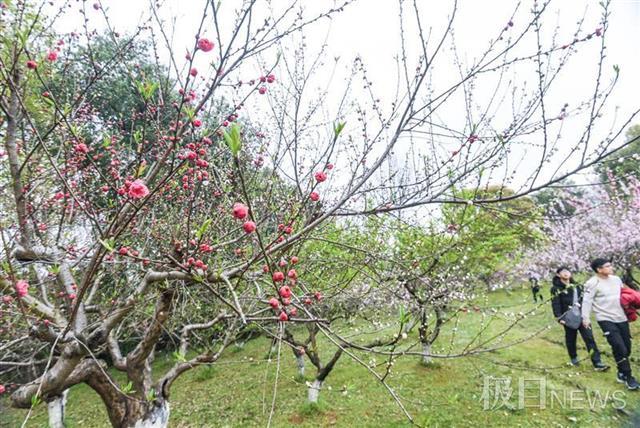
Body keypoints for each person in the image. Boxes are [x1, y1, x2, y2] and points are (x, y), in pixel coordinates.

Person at [582, 258, 639, 390]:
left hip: (621, 317)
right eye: (607, 266)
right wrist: (586, 318)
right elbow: (587, 301)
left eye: (610, 265)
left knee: (627, 348)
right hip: (605, 319)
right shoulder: (591, 283)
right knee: (620, 348)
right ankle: (629, 377)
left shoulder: (616, 279)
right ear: (599, 269)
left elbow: (624, 294)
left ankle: (621, 371)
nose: (611, 267)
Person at [550, 266, 608, 370]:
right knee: (571, 339)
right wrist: (560, 317)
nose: (566, 273)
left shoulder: (577, 286)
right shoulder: (556, 289)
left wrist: (586, 315)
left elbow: (585, 301)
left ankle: (597, 362)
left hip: (582, 317)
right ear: (558, 275)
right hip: (568, 318)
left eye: (568, 271)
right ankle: (574, 358)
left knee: (589, 338)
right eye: (563, 272)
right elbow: (556, 303)